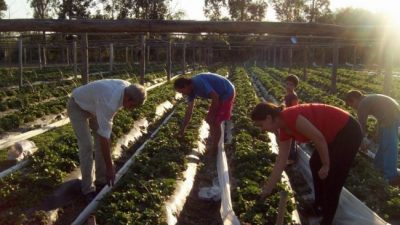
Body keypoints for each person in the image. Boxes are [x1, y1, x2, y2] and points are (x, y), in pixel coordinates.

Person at [251, 102, 362, 225]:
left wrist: (326, 164)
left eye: (261, 125)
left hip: (348, 130)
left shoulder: (290, 116)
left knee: (332, 178)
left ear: (268, 118)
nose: (262, 129)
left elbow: (318, 138)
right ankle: (319, 206)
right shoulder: (284, 130)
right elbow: (281, 160)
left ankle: (327, 221)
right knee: (314, 164)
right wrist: (267, 189)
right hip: (332, 136)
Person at [67, 79, 146, 202]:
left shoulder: (127, 88)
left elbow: (104, 134)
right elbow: (105, 137)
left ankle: (101, 180)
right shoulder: (109, 101)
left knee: (100, 141)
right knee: (87, 145)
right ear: (128, 98)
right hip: (77, 105)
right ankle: (87, 189)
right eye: (133, 106)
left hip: (95, 105)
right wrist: (110, 167)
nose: (132, 109)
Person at [345, 90, 400, 184]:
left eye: (351, 105)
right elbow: (381, 113)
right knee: (383, 145)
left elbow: (361, 125)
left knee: (389, 146)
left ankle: (391, 177)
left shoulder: (362, 103)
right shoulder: (368, 99)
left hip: (391, 117)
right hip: (391, 115)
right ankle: (378, 167)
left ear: (353, 100)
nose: (353, 108)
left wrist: (361, 142)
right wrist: (378, 132)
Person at [174, 73, 235, 154]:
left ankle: (215, 148)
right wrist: (182, 129)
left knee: (215, 122)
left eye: (182, 91)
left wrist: (211, 114)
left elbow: (215, 97)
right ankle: (214, 145)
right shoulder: (190, 91)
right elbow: (189, 111)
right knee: (210, 121)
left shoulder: (198, 82)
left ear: (186, 86)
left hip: (227, 92)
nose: (182, 94)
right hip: (218, 96)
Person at [283, 74, 300, 164]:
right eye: (287, 84)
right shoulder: (287, 95)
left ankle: (292, 158)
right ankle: (289, 156)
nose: (289, 86)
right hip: (287, 119)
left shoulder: (293, 96)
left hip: (292, 120)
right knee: (289, 138)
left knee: (292, 139)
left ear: (295, 86)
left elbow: (295, 109)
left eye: (291, 85)